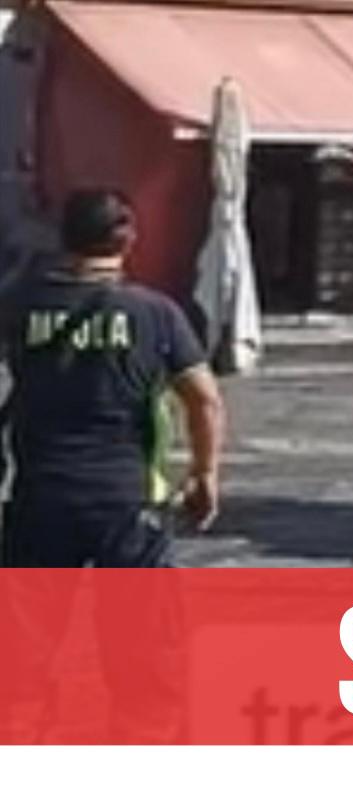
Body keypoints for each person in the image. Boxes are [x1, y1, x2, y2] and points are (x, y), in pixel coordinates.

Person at [0, 188, 225, 568]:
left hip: (41, 496)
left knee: (34, 610)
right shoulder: (156, 313)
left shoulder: (18, 304)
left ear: (63, 237)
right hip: (127, 499)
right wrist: (204, 473)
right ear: (129, 238)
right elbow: (205, 399)